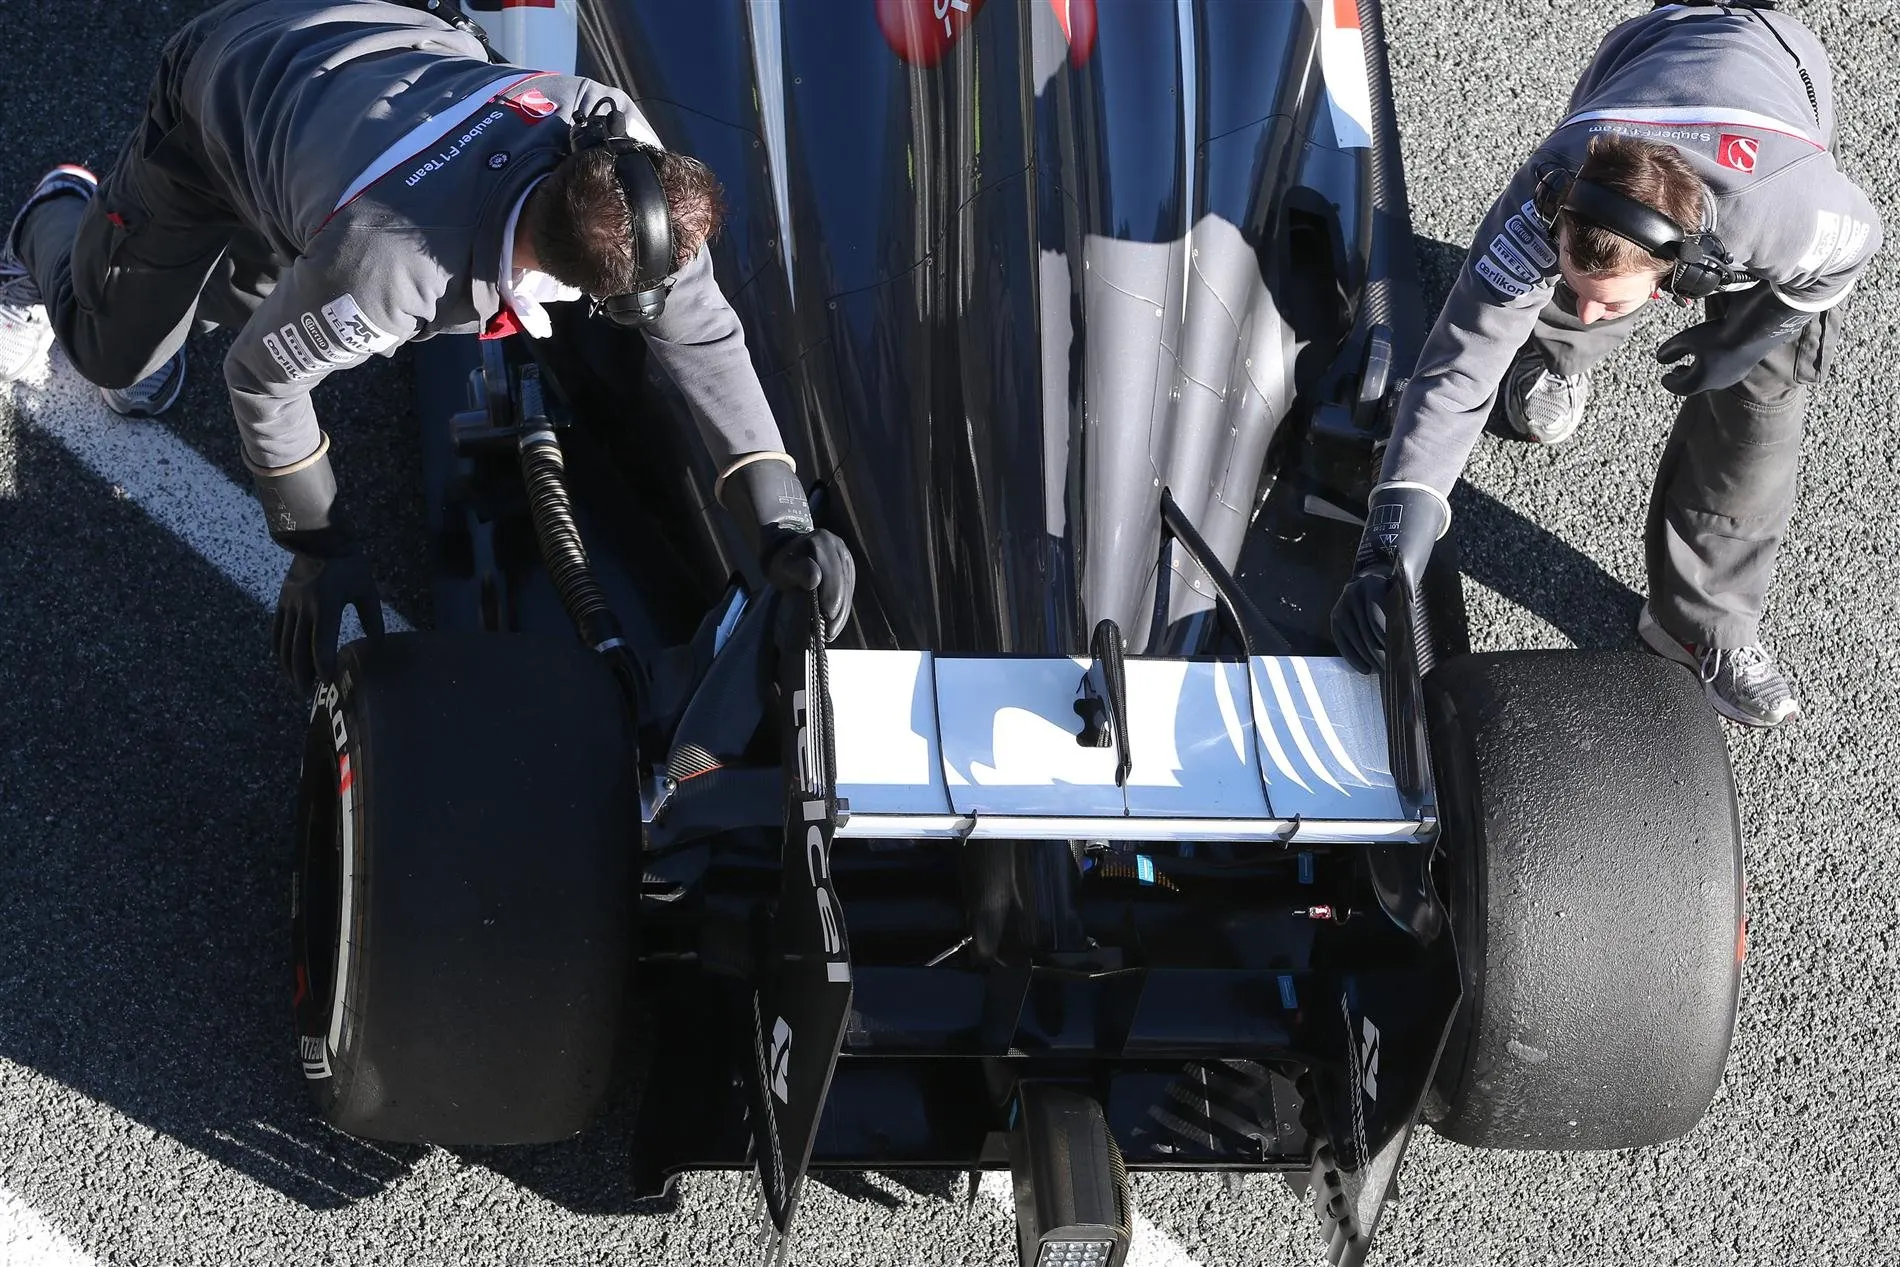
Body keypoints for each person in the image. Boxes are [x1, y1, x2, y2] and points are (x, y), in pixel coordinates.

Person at [0, 0, 855, 694]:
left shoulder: (613, 147)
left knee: (250, 289)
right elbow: (261, 380)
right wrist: (315, 544)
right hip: (224, 95)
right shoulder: (394, 266)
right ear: (587, 287)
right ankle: (55, 218)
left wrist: (781, 522)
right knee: (115, 356)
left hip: (358, 87)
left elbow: (701, 329)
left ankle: (188, 268)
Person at [1331, 0, 1879, 728]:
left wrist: (1741, 341)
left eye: (1614, 304)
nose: (1590, 307)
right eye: (1576, 289)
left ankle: (1700, 623)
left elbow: (1850, 258)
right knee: (1554, 291)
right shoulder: (1548, 191)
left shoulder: (1792, 212)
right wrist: (1388, 547)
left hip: (1779, 81)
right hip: (1649, 52)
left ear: (1684, 275)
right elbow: (1457, 367)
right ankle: (1552, 358)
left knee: (1761, 411)